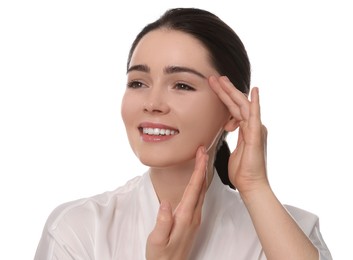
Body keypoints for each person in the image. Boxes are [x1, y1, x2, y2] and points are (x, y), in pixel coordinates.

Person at [34, 7, 332, 260]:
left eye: (182, 85)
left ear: (232, 110)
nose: (152, 103)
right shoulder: (77, 230)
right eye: (138, 82)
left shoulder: (294, 235)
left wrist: (255, 186)